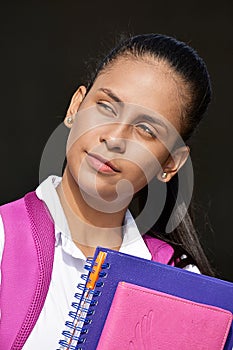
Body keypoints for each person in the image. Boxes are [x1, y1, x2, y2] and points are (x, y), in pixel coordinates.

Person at [0, 33, 214, 349]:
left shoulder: (183, 282)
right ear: (76, 106)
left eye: (146, 130)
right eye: (106, 107)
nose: (114, 138)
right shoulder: (4, 239)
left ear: (170, 163)